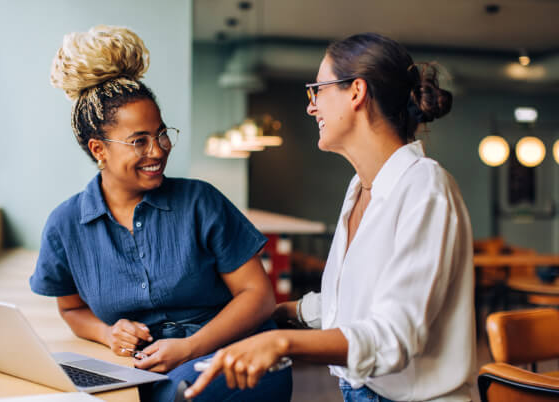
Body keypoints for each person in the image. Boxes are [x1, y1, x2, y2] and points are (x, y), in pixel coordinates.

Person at [186, 32, 476, 402]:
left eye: (317, 90)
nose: (311, 107)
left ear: (356, 92)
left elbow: (394, 335)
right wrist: (279, 314)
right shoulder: (360, 186)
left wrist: (282, 342)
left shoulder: (425, 186)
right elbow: (356, 299)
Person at [29, 25, 292, 402]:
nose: (159, 150)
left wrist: (190, 347)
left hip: (239, 353)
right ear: (98, 150)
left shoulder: (201, 201)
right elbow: (71, 308)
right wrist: (108, 333)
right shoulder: (65, 224)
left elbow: (258, 296)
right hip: (147, 365)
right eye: (140, 141)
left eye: (161, 134)